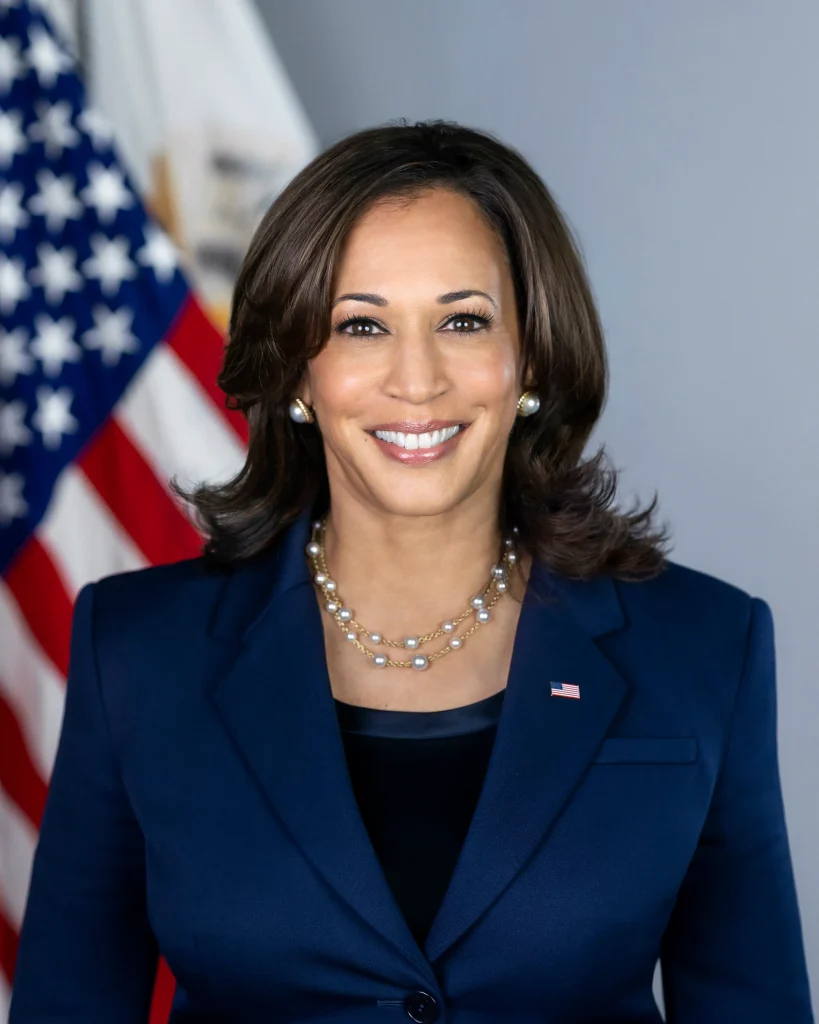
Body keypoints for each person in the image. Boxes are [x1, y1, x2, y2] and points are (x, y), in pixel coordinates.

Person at [10, 119, 814, 1024]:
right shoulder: (137, 651)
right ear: (299, 374)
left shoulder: (705, 646)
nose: (417, 379)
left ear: (532, 358)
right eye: (361, 326)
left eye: (462, 320)